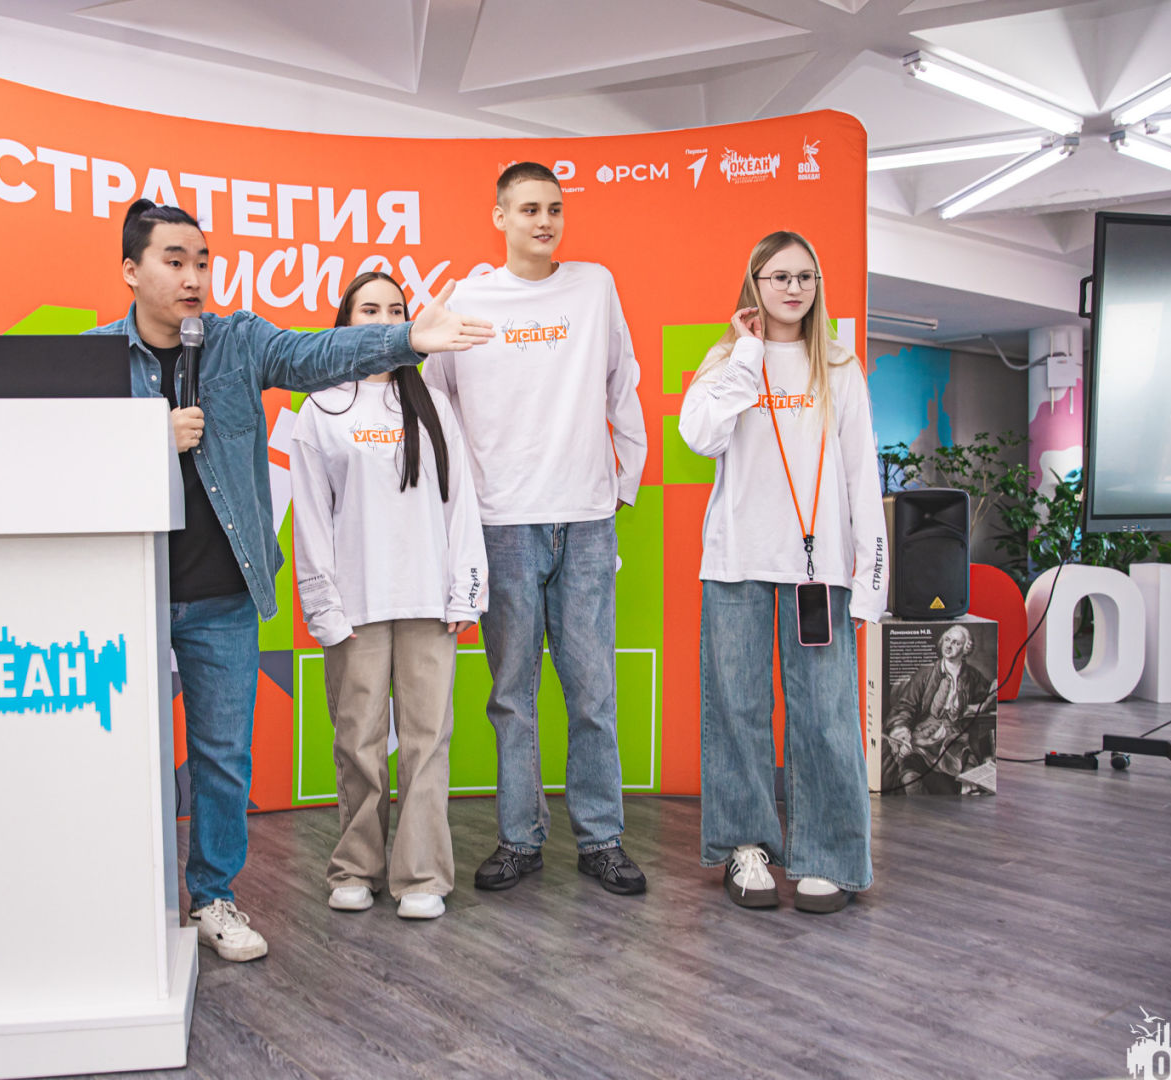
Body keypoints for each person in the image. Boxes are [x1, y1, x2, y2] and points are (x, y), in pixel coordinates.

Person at [88, 200, 493, 961]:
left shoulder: (237, 342)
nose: (193, 277)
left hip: (222, 596)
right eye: (174, 261)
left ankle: (213, 897)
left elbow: (314, 356)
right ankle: (122, 902)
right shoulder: (92, 361)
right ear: (130, 270)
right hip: (123, 591)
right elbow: (54, 456)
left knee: (222, 759)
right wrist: (145, 436)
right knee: (115, 754)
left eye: (202, 261)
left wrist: (407, 339)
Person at [424, 162, 649, 897]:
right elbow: (438, 404)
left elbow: (623, 382)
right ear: (500, 217)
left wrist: (622, 485)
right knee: (512, 695)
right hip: (504, 524)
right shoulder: (466, 300)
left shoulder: (594, 286)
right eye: (528, 209)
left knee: (593, 693)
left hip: (586, 521)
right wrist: (462, 508)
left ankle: (601, 838)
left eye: (553, 208)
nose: (544, 221)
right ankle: (520, 838)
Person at [679, 229, 885, 914]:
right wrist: (746, 354)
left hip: (817, 569)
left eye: (804, 276)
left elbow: (861, 475)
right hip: (737, 557)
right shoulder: (725, 361)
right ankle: (746, 847)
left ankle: (827, 855)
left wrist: (871, 581)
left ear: (817, 285)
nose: (793, 288)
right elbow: (700, 437)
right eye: (779, 277)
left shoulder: (840, 366)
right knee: (736, 709)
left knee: (826, 715)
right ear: (755, 285)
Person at [292, 272, 487, 921]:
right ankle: (355, 867)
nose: (384, 320)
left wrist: (464, 592)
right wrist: (324, 607)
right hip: (356, 606)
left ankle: (423, 875)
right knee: (359, 743)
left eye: (395, 310)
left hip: (428, 603)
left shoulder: (432, 404)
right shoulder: (321, 409)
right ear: (345, 323)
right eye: (369, 310)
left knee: (428, 743)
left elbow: (461, 505)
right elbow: (311, 518)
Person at [884, 623, 996, 794]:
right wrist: (902, 729)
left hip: (954, 737)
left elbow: (989, 694)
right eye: (947, 640)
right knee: (910, 763)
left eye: (956, 643)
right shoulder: (926, 672)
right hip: (924, 734)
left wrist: (984, 702)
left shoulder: (971, 676)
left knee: (964, 767)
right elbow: (905, 705)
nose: (949, 646)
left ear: (966, 649)